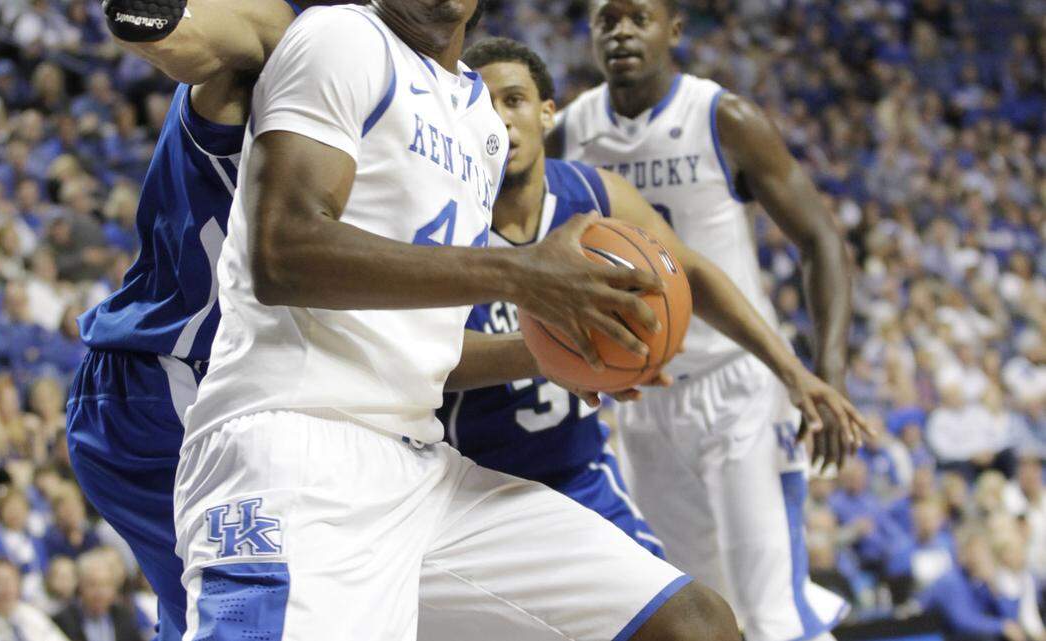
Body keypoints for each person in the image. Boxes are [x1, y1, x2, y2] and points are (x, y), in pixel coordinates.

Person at [175, 1, 739, 640]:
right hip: (296, 450)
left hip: (423, 468)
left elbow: (426, 347)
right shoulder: (344, 37)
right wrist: (521, 275)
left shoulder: (480, 122)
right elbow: (283, 255)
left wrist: (554, 347)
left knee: (691, 626)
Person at [441, 37, 863, 559]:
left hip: (580, 480)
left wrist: (792, 371)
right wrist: (552, 348)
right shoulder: (445, 216)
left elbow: (693, 274)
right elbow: (427, 357)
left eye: (514, 100)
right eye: (482, 104)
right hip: (470, 488)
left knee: (693, 620)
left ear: (547, 113)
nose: (500, 118)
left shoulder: (596, 195)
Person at [553, 1, 870, 639]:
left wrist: (827, 372)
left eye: (637, 17)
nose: (620, 32)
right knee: (701, 612)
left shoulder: (724, 118)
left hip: (740, 385)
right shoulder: (570, 132)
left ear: (674, 30)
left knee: (770, 610)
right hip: (643, 391)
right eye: (605, 20)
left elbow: (822, 241)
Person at [67, 2, 306, 638]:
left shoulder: (403, 90)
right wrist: (153, 13)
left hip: (174, 376)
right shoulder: (284, 39)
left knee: (214, 610)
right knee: (260, 607)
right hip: (171, 377)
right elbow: (193, 41)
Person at [53, 550, 143, 641]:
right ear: (80, 586)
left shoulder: (124, 617)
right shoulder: (63, 620)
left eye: (105, 585)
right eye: (93, 584)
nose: (100, 593)